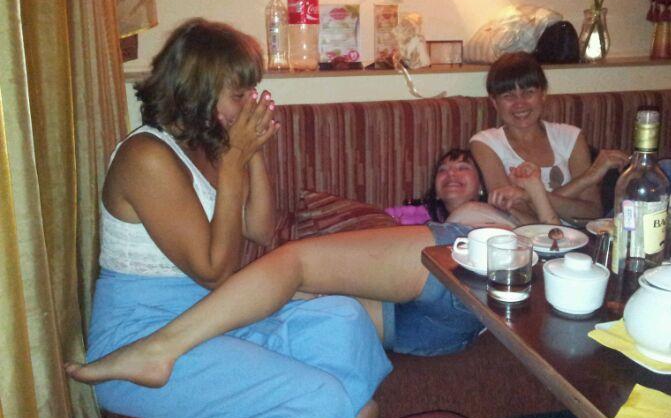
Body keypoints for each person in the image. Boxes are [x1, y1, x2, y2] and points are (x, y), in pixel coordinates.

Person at [83, 18, 392, 418]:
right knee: (319, 398)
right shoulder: (146, 157)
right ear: (198, 90)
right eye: (239, 95)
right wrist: (232, 164)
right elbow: (213, 271)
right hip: (145, 339)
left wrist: (251, 152)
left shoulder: (207, 145)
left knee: (344, 318)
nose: (251, 103)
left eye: (251, 92)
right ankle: (335, 414)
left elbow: (261, 230)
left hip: (212, 318)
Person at [66, 143, 560, 385]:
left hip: (470, 265)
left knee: (294, 262)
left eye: (463, 167)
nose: (451, 174)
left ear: (482, 180)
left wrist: (530, 192)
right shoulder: (410, 219)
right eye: (443, 169)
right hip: (437, 330)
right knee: (301, 300)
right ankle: (186, 342)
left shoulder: (496, 211)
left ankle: (159, 349)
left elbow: (557, 236)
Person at [470, 52, 671, 223]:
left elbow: (592, 212)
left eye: (528, 92)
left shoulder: (569, 136)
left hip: (593, 232)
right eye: (508, 95)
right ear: (494, 103)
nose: (520, 103)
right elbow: (522, 217)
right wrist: (589, 177)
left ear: (543, 95)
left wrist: (528, 194)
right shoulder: (486, 143)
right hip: (538, 240)